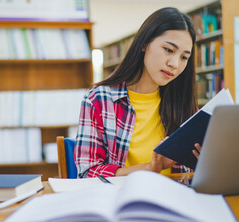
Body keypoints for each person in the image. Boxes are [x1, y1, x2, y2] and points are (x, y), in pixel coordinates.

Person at [75, 7, 202, 178]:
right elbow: (87, 174)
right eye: (169, 50)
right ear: (144, 44)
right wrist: (151, 168)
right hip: (120, 200)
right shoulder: (98, 100)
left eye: (184, 57)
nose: (175, 64)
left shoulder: (184, 104)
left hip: (176, 199)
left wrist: (204, 162)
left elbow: (193, 177)